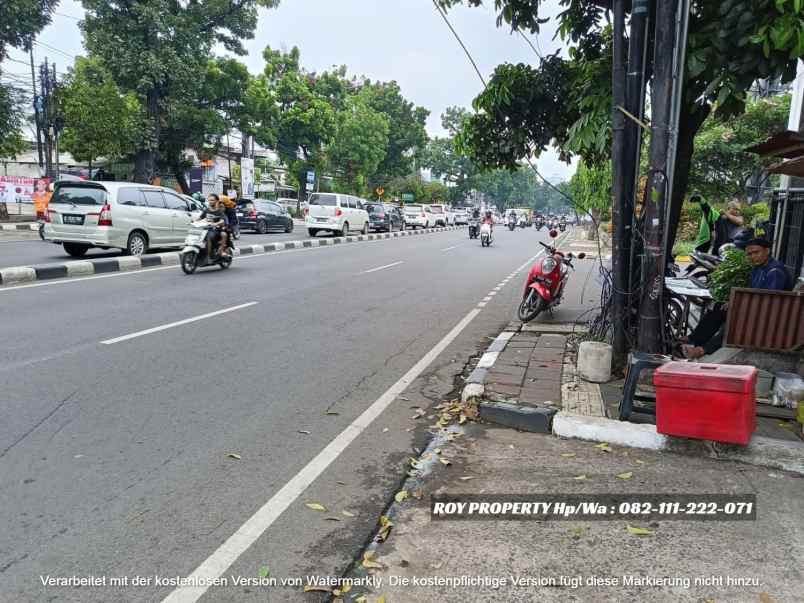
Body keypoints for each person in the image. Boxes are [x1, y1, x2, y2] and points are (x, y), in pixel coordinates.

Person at [682, 239, 792, 359]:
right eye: (749, 254)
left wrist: (740, 305)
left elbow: (767, 300)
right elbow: (752, 293)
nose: (753, 257)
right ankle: (694, 339)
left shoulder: (775, 271)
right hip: (757, 309)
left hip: (770, 316)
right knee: (718, 307)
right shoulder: (758, 268)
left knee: (736, 320)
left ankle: (702, 350)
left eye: (756, 252)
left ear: (767, 251)